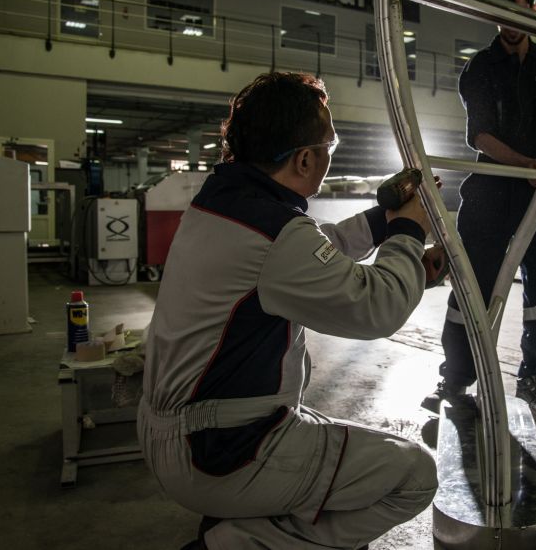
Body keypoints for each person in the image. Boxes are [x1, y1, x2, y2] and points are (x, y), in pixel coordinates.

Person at [137, 72, 437, 550]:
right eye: (330, 143)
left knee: (319, 425)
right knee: (415, 475)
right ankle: (236, 542)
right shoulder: (276, 233)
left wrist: (386, 221)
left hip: (181, 429)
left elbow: (319, 250)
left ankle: (240, 523)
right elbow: (377, 309)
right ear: (304, 158)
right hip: (218, 451)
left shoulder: (223, 204)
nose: (329, 153)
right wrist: (407, 234)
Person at [421, 0, 536, 427]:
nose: (512, 21)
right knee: (473, 286)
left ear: (533, 11)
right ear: (491, 15)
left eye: (521, 9)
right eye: (502, 12)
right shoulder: (480, 67)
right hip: (494, 189)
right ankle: (456, 379)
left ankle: (535, 381)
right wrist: (522, 164)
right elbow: (479, 135)